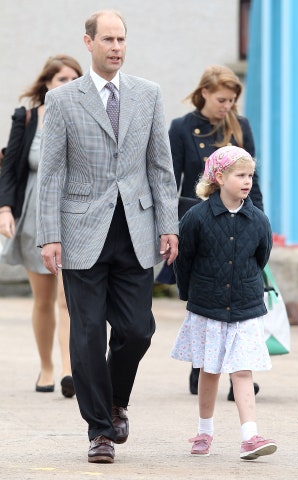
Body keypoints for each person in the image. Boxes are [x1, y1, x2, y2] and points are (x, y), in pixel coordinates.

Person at [36, 10, 179, 464]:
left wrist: (169, 223)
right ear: (89, 42)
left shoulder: (148, 94)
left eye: (122, 39)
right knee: (87, 333)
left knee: (137, 331)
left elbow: (160, 165)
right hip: (81, 231)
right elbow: (52, 173)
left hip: (136, 230)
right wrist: (49, 235)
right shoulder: (62, 101)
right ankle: (99, 429)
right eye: (108, 39)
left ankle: (117, 401)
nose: (116, 47)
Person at [157, 64, 262, 398]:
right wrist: (167, 227)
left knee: (237, 297)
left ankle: (237, 376)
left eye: (232, 100)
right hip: (198, 220)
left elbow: (252, 179)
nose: (226, 106)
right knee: (205, 297)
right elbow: (169, 181)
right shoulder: (181, 128)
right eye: (221, 99)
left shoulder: (241, 126)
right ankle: (201, 365)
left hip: (240, 220)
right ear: (204, 93)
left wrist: (259, 220)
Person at [171, 145, 277, 460]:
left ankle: (250, 436)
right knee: (210, 371)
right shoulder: (196, 217)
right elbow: (184, 260)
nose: (247, 181)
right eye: (240, 175)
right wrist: (191, 295)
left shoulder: (258, 219)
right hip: (208, 307)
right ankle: (204, 432)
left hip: (245, 308)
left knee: (242, 371)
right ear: (219, 177)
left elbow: (261, 258)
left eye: (250, 175)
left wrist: (246, 287)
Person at [0, 54, 83, 398]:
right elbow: (11, 167)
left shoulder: (85, 117)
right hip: (34, 212)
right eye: (62, 79)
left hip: (74, 214)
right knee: (43, 299)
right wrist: (5, 208)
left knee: (68, 299)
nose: (68, 85)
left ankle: (68, 369)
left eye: (74, 79)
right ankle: (46, 366)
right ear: (48, 83)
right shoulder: (28, 117)